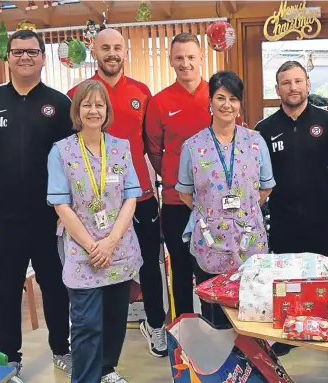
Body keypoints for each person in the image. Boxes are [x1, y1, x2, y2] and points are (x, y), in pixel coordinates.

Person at [0, 30, 72, 376]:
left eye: (32, 52)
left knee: (54, 287)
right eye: (18, 52)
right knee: (6, 291)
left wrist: (66, 211)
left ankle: (61, 349)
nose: (25, 57)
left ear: (42, 57)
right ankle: (10, 357)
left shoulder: (59, 103)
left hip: (48, 218)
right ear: (7, 56)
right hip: (0, 219)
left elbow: (72, 162)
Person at [67, 28, 167, 358]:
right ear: (93, 51)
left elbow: (152, 143)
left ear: (125, 52)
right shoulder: (76, 93)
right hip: (95, 203)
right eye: (105, 47)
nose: (112, 53)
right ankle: (97, 335)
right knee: (96, 265)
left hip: (139, 196)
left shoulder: (142, 92)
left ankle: (155, 323)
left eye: (117, 48)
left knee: (150, 263)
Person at [47, 80, 143, 383]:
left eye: (99, 105)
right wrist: (93, 246)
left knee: (115, 317)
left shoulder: (121, 147)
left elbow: (131, 196)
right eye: (86, 104)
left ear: (107, 110)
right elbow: (61, 205)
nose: (93, 110)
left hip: (118, 246)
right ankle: (86, 378)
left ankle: (107, 370)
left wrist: (111, 241)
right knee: (87, 322)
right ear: (77, 110)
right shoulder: (61, 151)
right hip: (82, 248)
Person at [255, 60, 328, 356]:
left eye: (298, 81)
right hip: (282, 221)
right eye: (286, 82)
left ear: (307, 84)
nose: (293, 87)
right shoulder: (264, 129)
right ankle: (285, 336)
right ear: (277, 88)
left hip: (322, 219)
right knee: (285, 284)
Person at [176, 70, 275, 327]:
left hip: (248, 238)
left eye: (233, 98)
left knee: (250, 312)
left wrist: (243, 212)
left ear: (240, 104)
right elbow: (185, 193)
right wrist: (213, 213)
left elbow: (265, 189)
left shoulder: (256, 142)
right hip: (210, 240)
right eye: (220, 98)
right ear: (210, 102)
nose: (226, 105)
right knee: (215, 316)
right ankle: (219, 366)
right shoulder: (192, 146)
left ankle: (250, 365)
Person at [145, 33, 212, 317]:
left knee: (211, 269)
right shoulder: (160, 102)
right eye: (179, 58)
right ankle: (184, 330)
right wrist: (176, 178)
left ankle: (217, 329)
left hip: (214, 202)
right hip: (175, 202)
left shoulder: (217, 95)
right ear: (171, 61)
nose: (186, 63)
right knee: (181, 269)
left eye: (191, 57)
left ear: (201, 59)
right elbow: (154, 150)